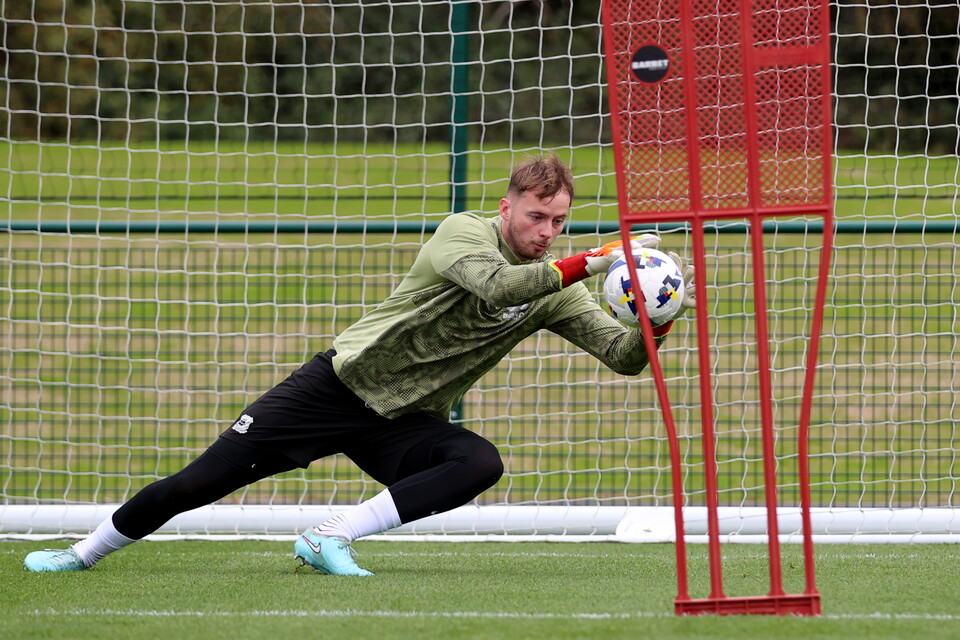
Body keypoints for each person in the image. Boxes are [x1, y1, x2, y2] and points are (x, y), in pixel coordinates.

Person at [23, 154, 695, 576]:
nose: (546, 231)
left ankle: (329, 537)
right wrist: (602, 257)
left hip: (402, 421)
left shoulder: (558, 285)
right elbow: (498, 285)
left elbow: (621, 356)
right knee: (198, 482)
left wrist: (658, 319)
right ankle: (82, 553)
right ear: (507, 207)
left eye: (558, 221)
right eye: (536, 216)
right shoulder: (463, 234)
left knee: (478, 461)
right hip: (338, 387)